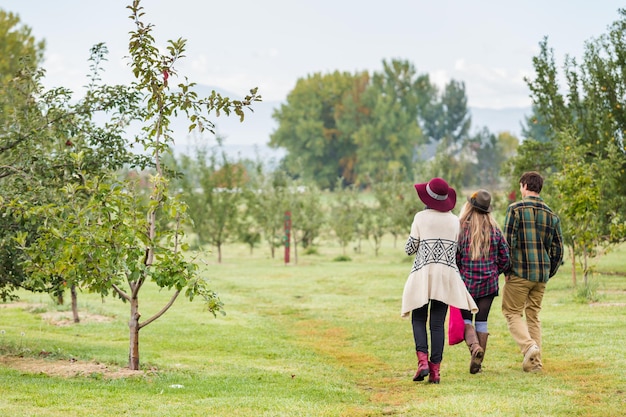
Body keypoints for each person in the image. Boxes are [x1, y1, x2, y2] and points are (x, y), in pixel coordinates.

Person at [401, 177, 478, 384]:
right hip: (446, 275)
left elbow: (410, 248)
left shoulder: (420, 217)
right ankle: (435, 372)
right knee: (437, 324)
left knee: (418, 318)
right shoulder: (454, 220)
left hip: (423, 274)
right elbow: (457, 249)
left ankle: (422, 362)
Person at [501, 171, 563, 372]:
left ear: (525, 185)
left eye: (521, 186)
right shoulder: (551, 214)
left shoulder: (515, 209)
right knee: (533, 315)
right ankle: (535, 363)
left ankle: (529, 347)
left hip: (519, 272)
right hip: (541, 275)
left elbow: (507, 243)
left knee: (511, 312)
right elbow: (558, 250)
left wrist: (506, 269)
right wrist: (548, 271)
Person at [456, 189, 510, 374]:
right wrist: (495, 272)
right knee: (482, 321)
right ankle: (477, 365)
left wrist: (460, 273)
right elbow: (505, 258)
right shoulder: (495, 230)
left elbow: (455, 257)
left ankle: (474, 348)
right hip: (489, 284)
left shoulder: (461, 229)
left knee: (465, 320)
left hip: (466, 284)